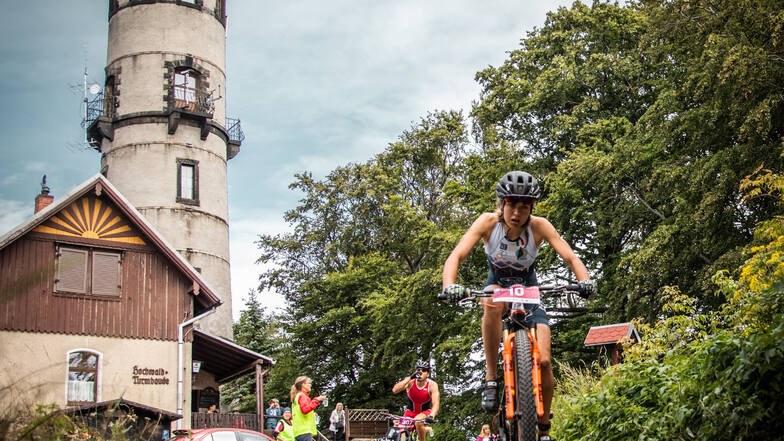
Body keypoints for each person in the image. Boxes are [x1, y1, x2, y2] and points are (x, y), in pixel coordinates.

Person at [442, 170, 595, 441]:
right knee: (490, 299)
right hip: (497, 289)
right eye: (511, 205)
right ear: (501, 204)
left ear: (531, 209)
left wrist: (584, 281)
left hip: (529, 293)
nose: (517, 213)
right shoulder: (488, 223)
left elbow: (570, 256)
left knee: (545, 361)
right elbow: (457, 254)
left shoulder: (539, 226)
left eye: (524, 207)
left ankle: (545, 426)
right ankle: (491, 378)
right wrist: (449, 284)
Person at [391, 362, 439, 441]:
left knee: (418, 421)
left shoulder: (432, 385)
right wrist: (409, 378)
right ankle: (422, 430)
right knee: (402, 436)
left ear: (427, 374)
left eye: (423, 370)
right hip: (409, 413)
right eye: (418, 370)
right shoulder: (410, 381)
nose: (420, 372)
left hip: (424, 412)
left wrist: (431, 416)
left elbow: (436, 404)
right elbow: (395, 390)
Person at [291, 376, 326, 441]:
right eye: (309, 383)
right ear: (303, 385)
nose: (310, 385)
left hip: (298, 431)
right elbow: (305, 409)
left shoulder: (296, 397)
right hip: (304, 430)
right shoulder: (302, 396)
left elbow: (297, 414)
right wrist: (317, 399)